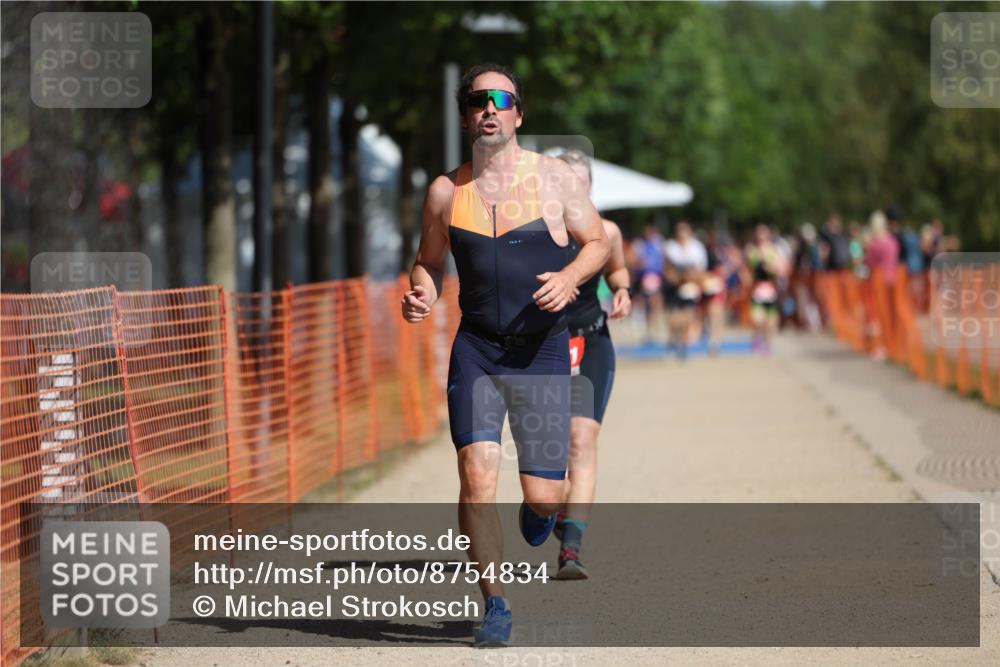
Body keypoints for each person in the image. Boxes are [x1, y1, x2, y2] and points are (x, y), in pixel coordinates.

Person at [401, 63, 609, 647]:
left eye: (500, 99)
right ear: (466, 113)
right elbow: (428, 260)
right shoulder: (447, 191)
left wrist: (571, 278)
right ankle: (494, 601)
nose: (488, 108)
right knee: (475, 475)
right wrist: (422, 291)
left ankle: (541, 513)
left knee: (543, 494)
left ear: (519, 113)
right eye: (476, 99)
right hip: (478, 353)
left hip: (541, 351)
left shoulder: (557, 181)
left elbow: (598, 243)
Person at [551, 149, 632, 580]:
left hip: (593, 343)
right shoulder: (534, 232)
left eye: (583, 183)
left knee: (581, 440)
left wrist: (623, 291)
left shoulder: (609, 231)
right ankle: (554, 510)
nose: (576, 191)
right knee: (548, 454)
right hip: (544, 348)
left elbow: (617, 271)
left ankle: (571, 549)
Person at [662, 220, 708, 359]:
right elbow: (667, 269)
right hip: (674, 286)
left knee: (688, 315)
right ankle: (675, 339)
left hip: (689, 285)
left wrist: (691, 278)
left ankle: (683, 343)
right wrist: (677, 278)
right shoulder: (670, 247)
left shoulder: (697, 248)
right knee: (675, 318)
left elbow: (701, 270)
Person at [744, 224, 788, 354]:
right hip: (757, 290)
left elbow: (782, 269)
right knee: (758, 320)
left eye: (763, 234)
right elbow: (747, 268)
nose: (761, 237)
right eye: (759, 234)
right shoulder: (752, 250)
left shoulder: (774, 250)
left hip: (771, 290)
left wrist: (773, 268)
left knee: (770, 322)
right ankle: (757, 338)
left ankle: (767, 345)